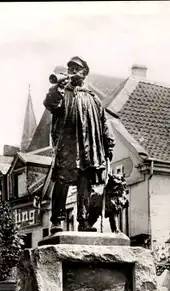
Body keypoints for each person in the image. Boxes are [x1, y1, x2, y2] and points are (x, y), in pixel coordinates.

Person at [44, 56, 115, 233]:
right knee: (62, 182)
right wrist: (57, 87)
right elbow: (50, 104)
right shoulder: (62, 93)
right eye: (70, 69)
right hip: (68, 148)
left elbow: (103, 122)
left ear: (84, 73)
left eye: (77, 69)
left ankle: (84, 221)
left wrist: (109, 144)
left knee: (85, 184)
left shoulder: (93, 98)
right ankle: (57, 222)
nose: (73, 72)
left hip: (88, 150)